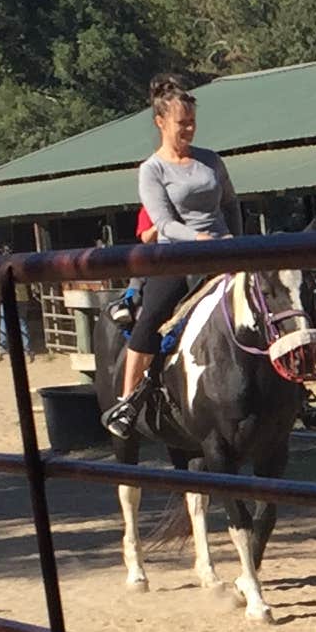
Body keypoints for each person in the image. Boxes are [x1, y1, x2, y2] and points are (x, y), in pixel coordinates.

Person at [102, 77, 238, 443]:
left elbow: (229, 203)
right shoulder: (152, 170)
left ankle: (295, 392)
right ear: (161, 122)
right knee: (151, 321)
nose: (190, 129)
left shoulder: (210, 160)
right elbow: (162, 223)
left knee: (268, 302)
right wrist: (197, 239)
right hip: (177, 256)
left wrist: (239, 244)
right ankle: (126, 402)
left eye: (193, 121)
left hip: (223, 251)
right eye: (183, 123)